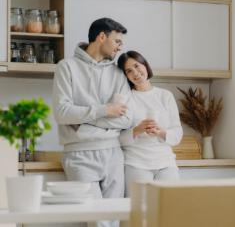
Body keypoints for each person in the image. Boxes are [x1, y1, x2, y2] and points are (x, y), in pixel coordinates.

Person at [52, 18, 130, 227]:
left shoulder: (118, 73)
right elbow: (62, 113)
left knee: (113, 220)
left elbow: (125, 117)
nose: (120, 47)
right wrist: (105, 110)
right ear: (101, 37)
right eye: (117, 41)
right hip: (79, 155)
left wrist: (83, 120)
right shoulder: (66, 67)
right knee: (98, 222)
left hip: (114, 153)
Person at [117, 50, 183, 197]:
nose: (136, 73)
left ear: (145, 65)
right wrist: (137, 130)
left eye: (137, 66)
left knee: (171, 210)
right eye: (129, 71)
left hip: (166, 163)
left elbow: (177, 135)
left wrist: (161, 132)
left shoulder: (165, 95)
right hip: (136, 164)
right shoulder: (125, 98)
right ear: (125, 76)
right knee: (139, 213)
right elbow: (118, 139)